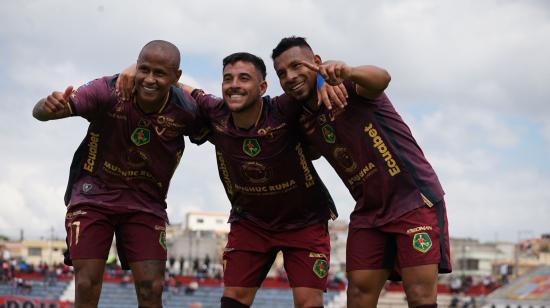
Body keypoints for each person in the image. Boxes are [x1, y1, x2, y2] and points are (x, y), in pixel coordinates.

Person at [117, 52, 340, 308]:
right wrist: (135, 67)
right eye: (228, 79)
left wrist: (324, 81)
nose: (234, 84)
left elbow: (312, 81)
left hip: (304, 221)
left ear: (263, 87)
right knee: (233, 301)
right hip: (251, 223)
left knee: (308, 303)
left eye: (244, 78)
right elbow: (176, 83)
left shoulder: (284, 109)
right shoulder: (214, 112)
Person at [271, 36, 451, 308]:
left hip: (412, 198)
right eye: (282, 73)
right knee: (358, 295)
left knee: (420, 296)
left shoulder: (346, 86)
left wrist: (348, 71)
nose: (290, 76)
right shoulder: (299, 114)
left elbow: (383, 78)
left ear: (316, 62)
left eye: (297, 66)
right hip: (368, 210)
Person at [32, 40, 204, 308]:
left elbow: (224, 128)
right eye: (144, 69)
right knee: (87, 282)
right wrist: (49, 107)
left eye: (160, 74)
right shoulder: (108, 90)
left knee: (152, 288)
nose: (149, 79)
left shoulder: (187, 110)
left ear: (176, 77)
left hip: (146, 203)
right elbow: (41, 112)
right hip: (93, 195)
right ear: (136, 65)